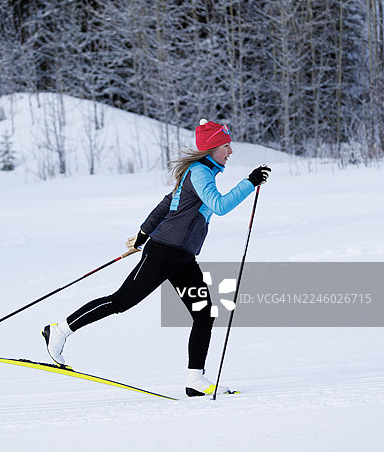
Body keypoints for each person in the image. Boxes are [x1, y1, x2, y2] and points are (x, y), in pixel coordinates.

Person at [42, 120, 271, 397]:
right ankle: (60, 330)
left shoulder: (201, 172)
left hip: (182, 258)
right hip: (164, 252)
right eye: (226, 145)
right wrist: (249, 182)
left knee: (204, 314)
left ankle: (195, 380)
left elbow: (167, 203)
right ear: (212, 148)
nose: (230, 151)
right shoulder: (199, 172)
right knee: (121, 301)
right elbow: (219, 206)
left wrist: (142, 233)